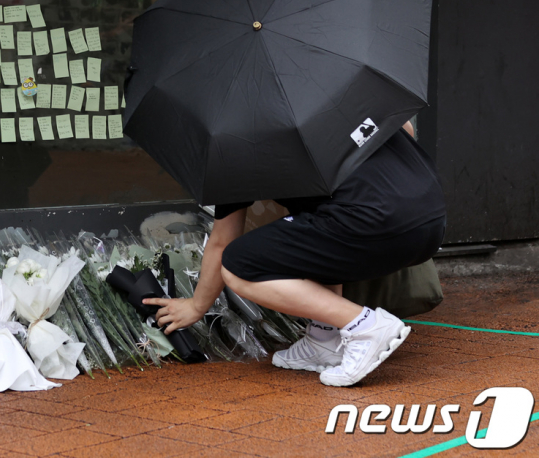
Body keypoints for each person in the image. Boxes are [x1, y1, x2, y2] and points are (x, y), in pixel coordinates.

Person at [144, 121, 446, 387]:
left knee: (239, 263)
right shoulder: (337, 83)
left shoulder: (242, 135)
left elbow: (223, 241)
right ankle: (324, 339)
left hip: (375, 222)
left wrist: (197, 306)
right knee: (311, 227)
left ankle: (364, 326)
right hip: (431, 218)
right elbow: (406, 127)